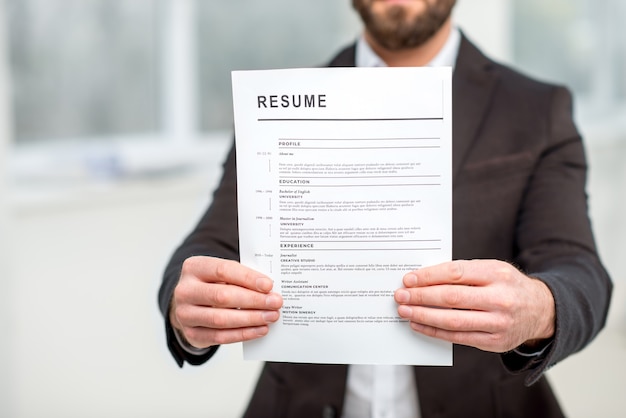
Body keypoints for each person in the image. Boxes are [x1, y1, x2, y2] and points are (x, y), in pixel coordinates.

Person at [158, 1, 613, 417]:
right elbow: (206, 244)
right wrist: (186, 306)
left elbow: (580, 271)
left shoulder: (536, 109)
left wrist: (538, 308)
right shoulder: (276, 104)